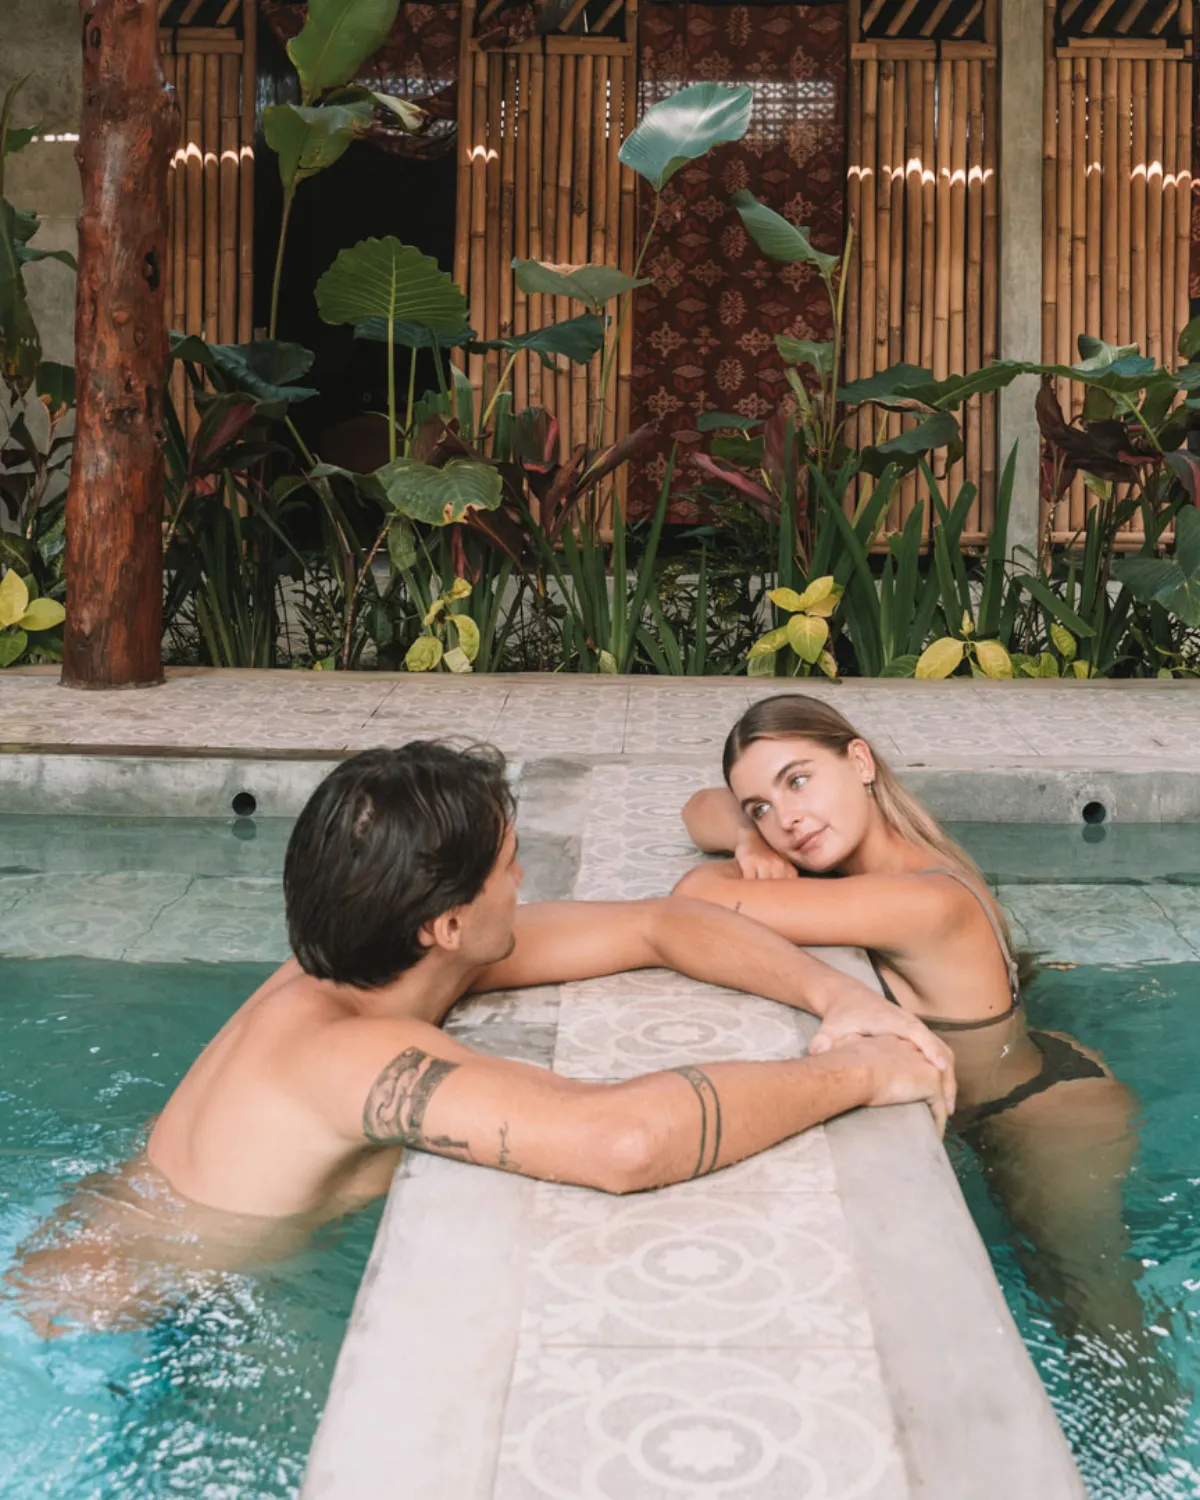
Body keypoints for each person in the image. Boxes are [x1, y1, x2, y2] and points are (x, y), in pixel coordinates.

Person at [10, 740, 952, 1334]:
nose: (525, 878)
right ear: (446, 924)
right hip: (99, 1335)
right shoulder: (350, 1055)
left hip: (101, 1261)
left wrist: (839, 999)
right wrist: (862, 1077)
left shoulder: (371, 952)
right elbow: (623, 1143)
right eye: (509, 866)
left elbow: (659, 925)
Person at [673, 692, 1143, 1342]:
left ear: (860, 761)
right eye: (764, 805)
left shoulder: (920, 900)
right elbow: (699, 808)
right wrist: (749, 833)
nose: (789, 818)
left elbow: (694, 900)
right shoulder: (885, 861)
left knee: (1096, 1316)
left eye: (799, 780)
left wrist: (753, 847)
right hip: (1006, 1074)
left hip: (1041, 1113)